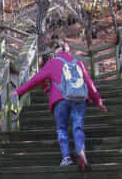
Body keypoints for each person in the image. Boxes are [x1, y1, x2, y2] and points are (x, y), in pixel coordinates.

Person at [11, 40, 107, 171]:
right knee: (78, 126)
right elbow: (89, 83)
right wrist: (98, 101)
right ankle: (80, 150)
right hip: (79, 99)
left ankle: (66, 157)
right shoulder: (78, 63)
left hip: (60, 99)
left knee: (62, 128)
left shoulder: (52, 63)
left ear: (56, 51)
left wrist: (18, 92)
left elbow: (36, 80)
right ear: (67, 50)